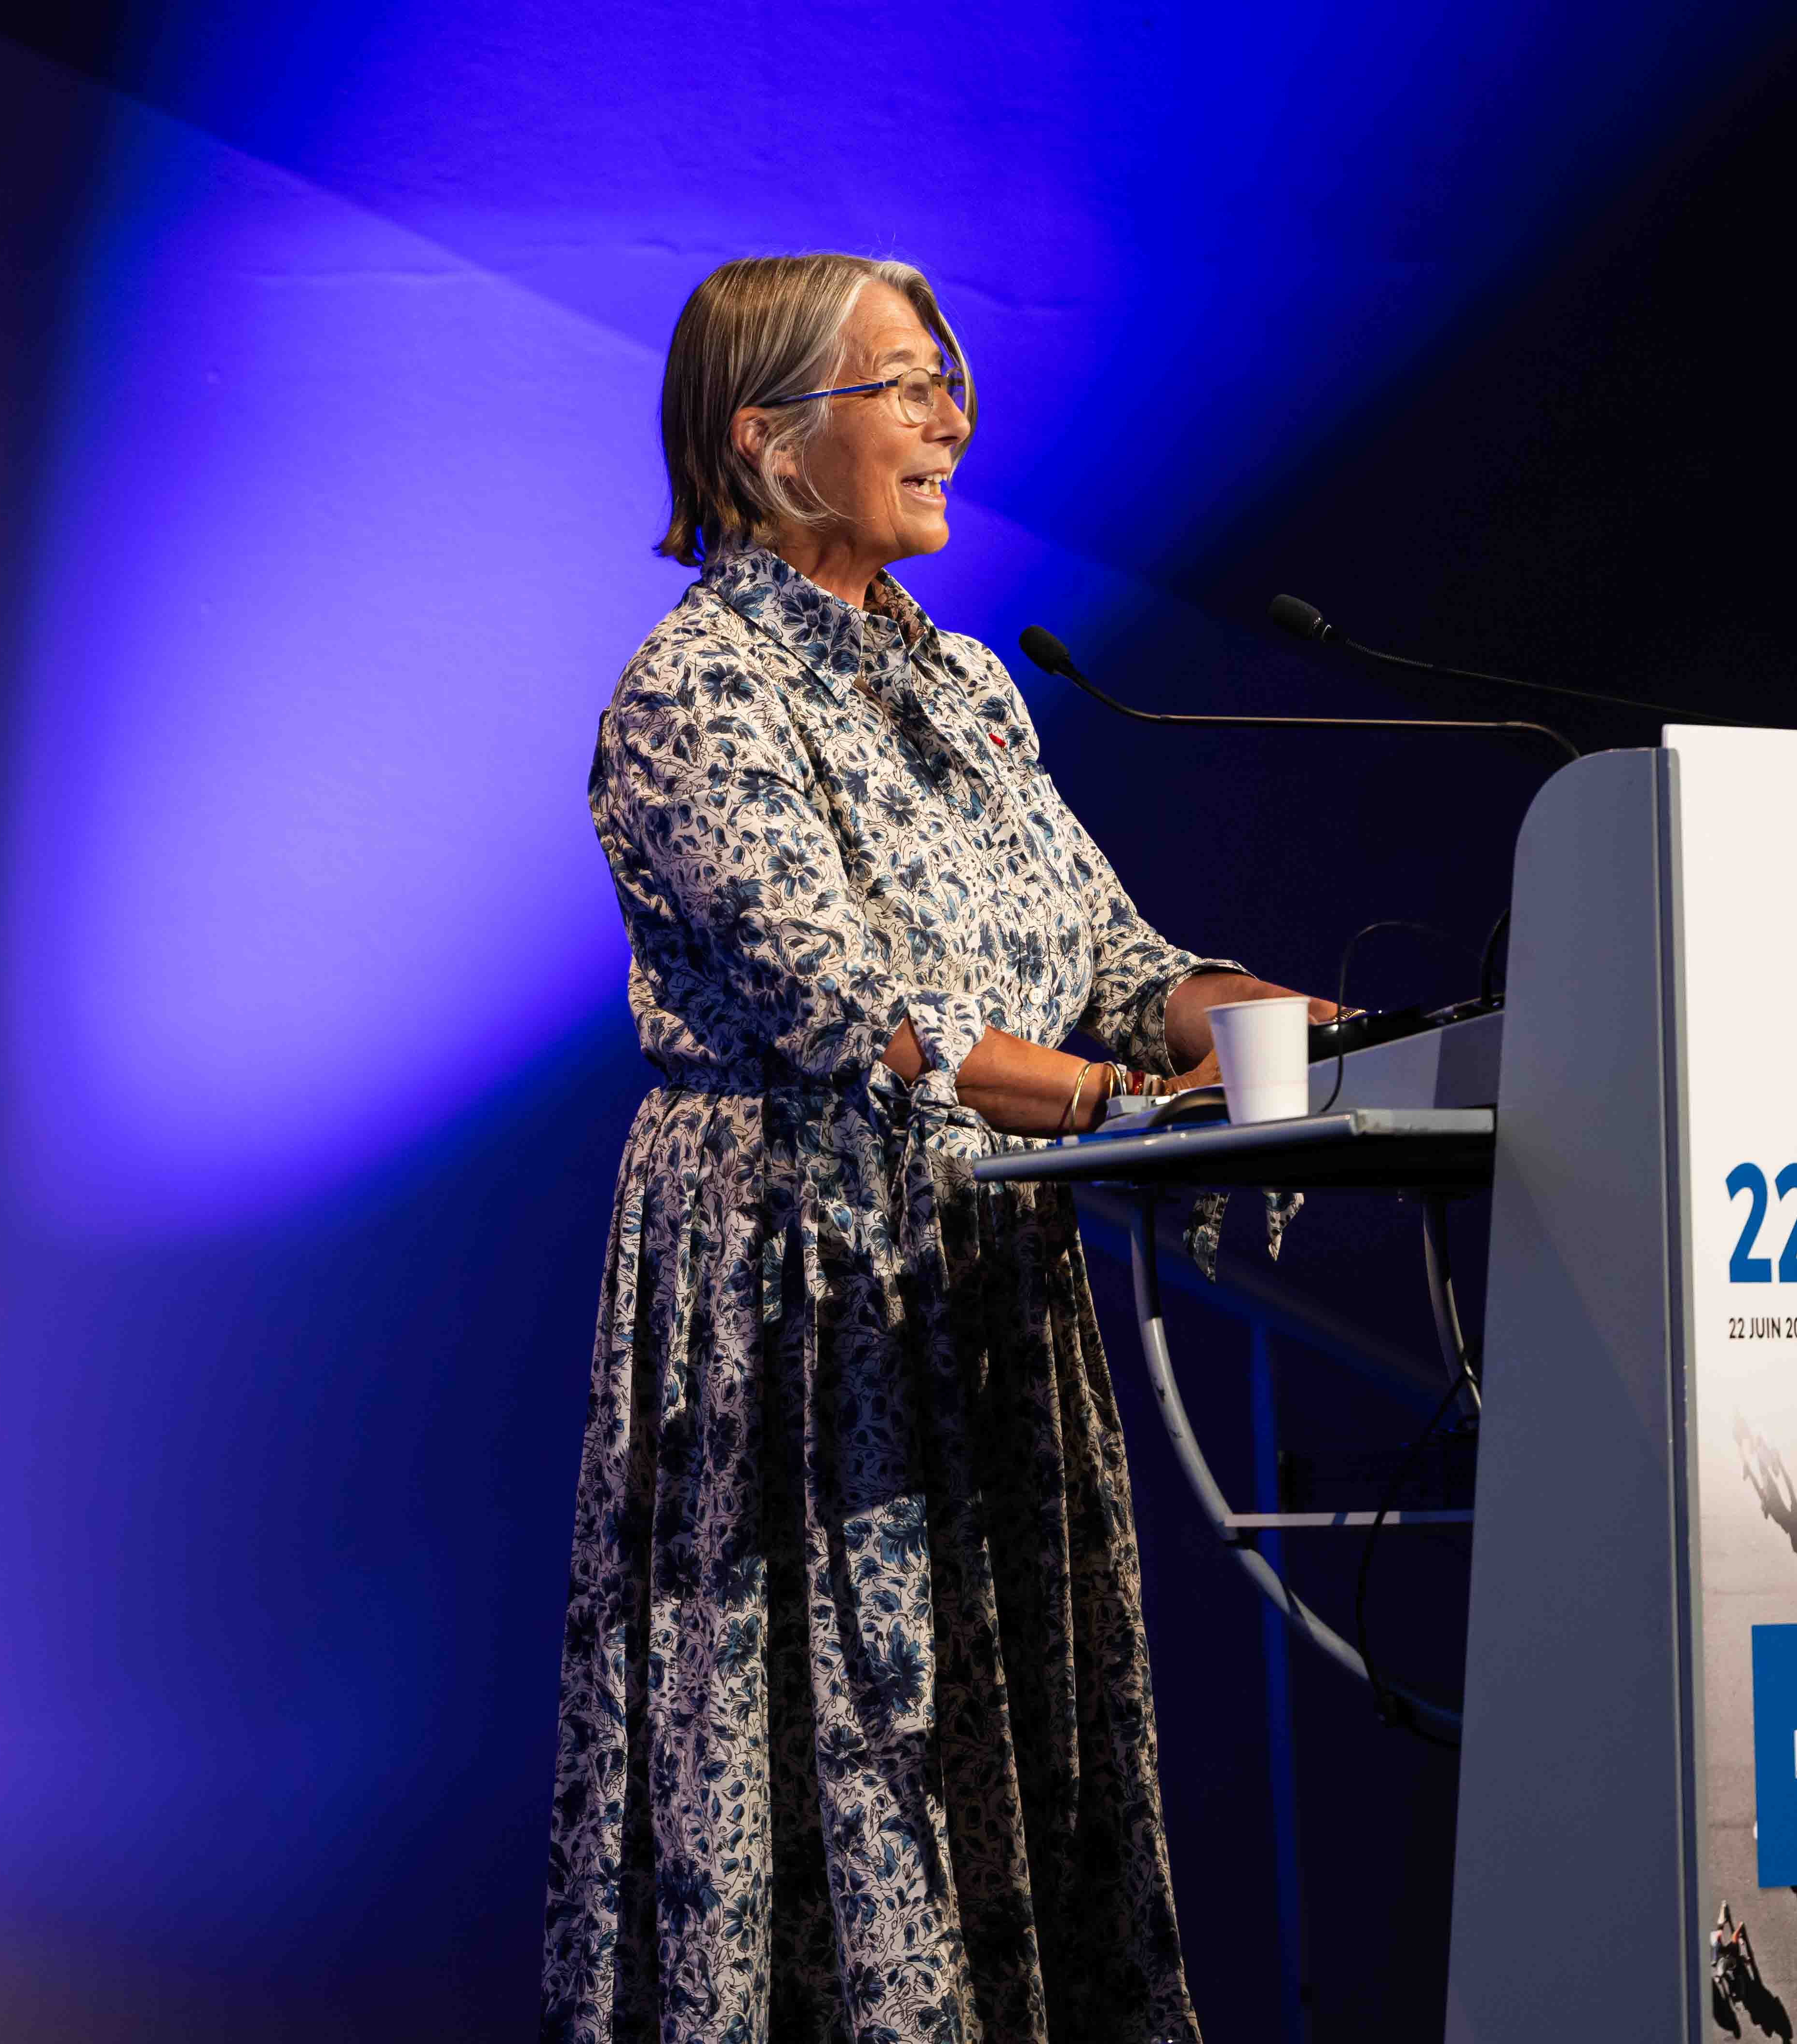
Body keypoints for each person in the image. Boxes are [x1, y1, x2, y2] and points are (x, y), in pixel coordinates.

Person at [546, 252, 1340, 2044]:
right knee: (835, 1767)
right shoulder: (700, 690)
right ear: (766, 443)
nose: (951, 422)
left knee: (999, 1764)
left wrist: (1287, 1032)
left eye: (949, 380)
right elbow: (857, 1015)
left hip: (982, 1293)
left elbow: (1112, 964)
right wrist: (1119, 1108)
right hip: (801, 1309)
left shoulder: (975, 687)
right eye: (902, 385)